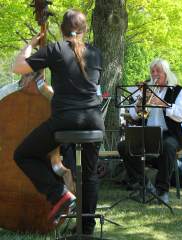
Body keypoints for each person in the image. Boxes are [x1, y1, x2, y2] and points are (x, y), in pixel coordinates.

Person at [12, 9, 104, 235]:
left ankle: (58, 194)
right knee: (89, 175)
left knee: (23, 154)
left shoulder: (54, 50)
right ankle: (87, 229)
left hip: (66, 120)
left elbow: (18, 67)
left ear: (62, 30)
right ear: (83, 30)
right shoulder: (95, 53)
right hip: (94, 121)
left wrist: (30, 45)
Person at [117, 58, 182, 204]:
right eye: (152, 71)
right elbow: (132, 114)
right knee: (123, 146)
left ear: (166, 73)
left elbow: (180, 115)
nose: (154, 74)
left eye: (158, 71)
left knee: (168, 146)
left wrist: (162, 104)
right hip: (147, 132)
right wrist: (137, 107)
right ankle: (145, 186)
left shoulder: (177, 91)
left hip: (170, 133)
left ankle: (162, 191)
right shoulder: (146, 90)